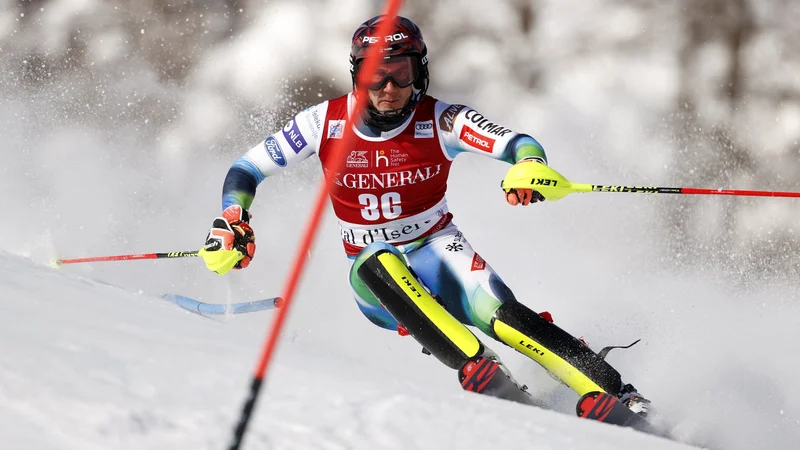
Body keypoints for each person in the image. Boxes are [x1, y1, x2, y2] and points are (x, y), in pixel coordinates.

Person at [199, 16, 650, 417]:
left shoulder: (442, 120)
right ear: (358, 76)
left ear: (421, 72)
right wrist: (233, 217)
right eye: (378, 76)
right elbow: (248, 167)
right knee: (376, 255)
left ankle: (620, 394)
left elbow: (517, 143)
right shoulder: (325, 123)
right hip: (376, 281)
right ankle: (480, 367)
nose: (390, 88)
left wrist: (528, 166)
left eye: (402, 73)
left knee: (501, 313)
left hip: (438, 249)